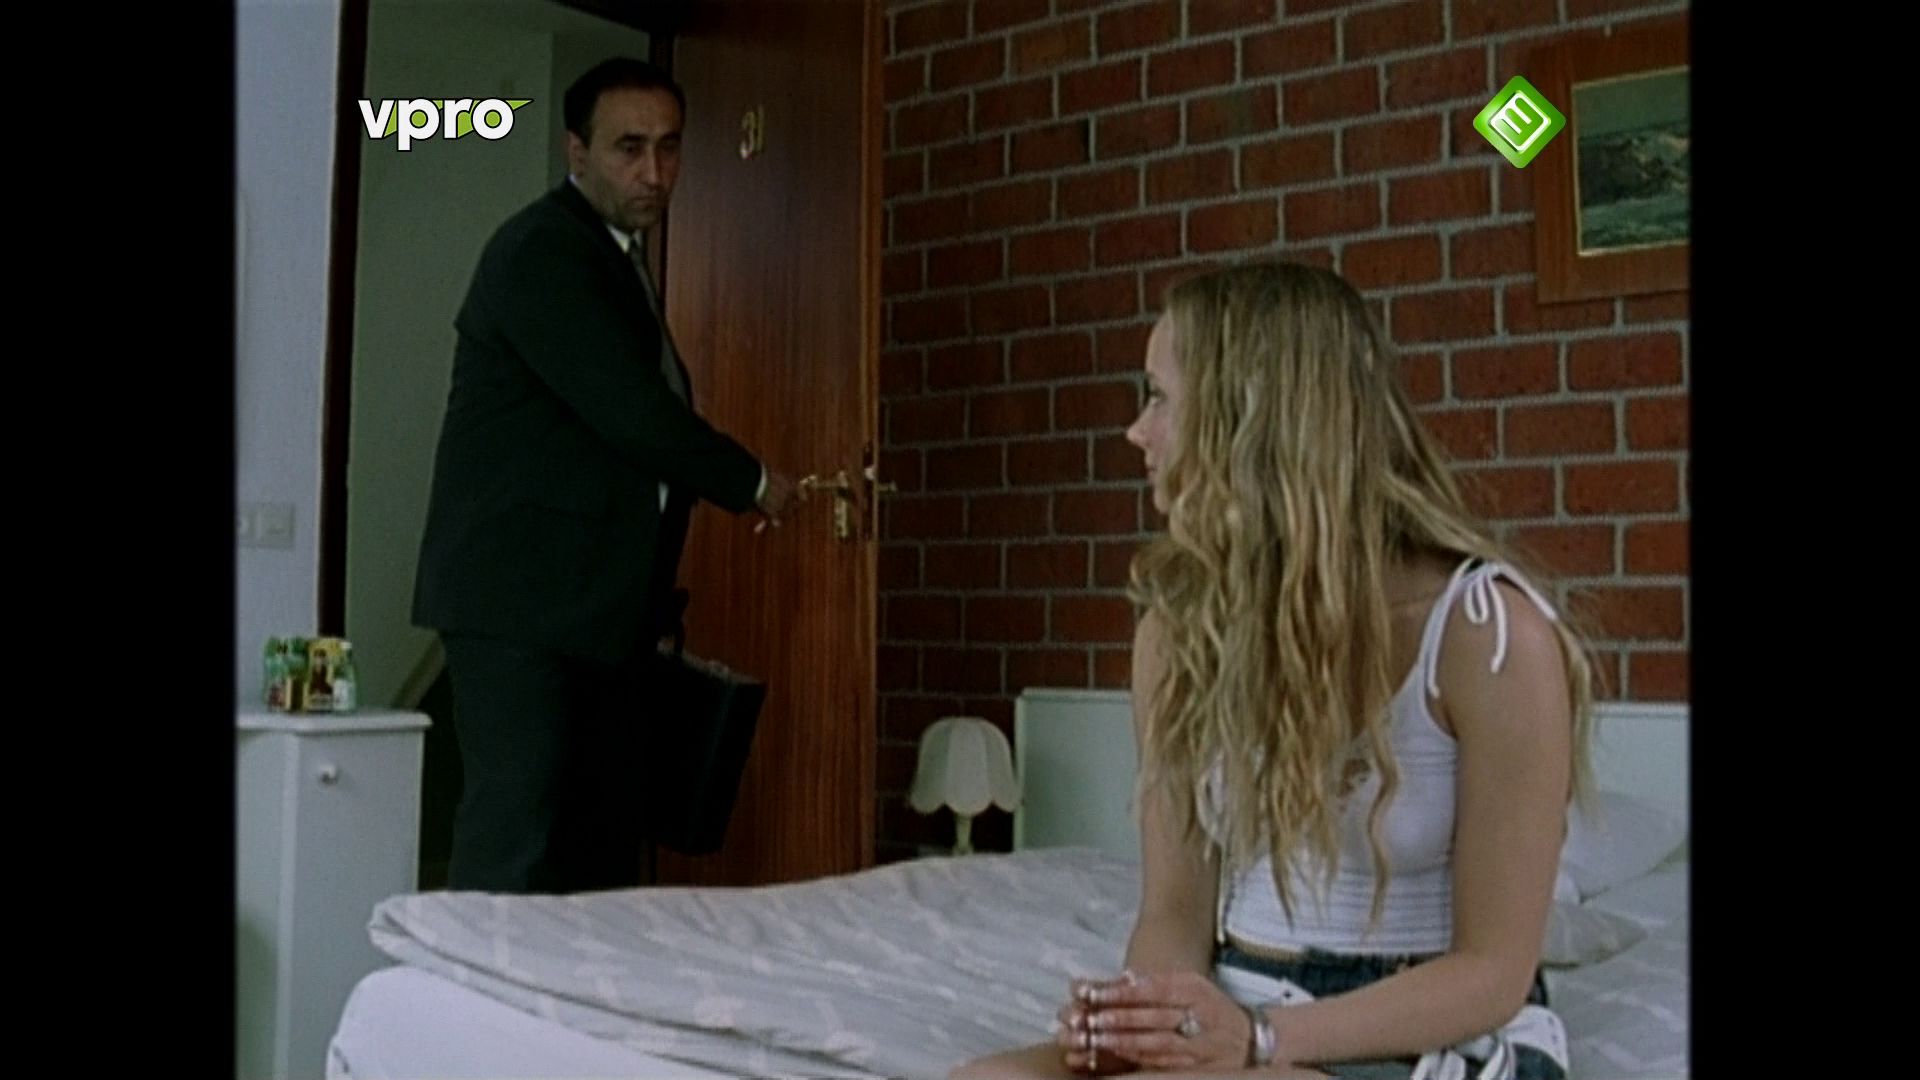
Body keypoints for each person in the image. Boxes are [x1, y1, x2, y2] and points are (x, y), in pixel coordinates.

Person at [953, 261, 1595, 1079]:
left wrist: (1261, 1040)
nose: (1136, 433)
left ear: (1250, 421)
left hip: (1421, 1034)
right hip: (1241, 1011)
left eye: (1159, 398)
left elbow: (1493, 973)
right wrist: (1144, 1020)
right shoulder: (1178, 634)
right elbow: (1174, 915)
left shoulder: (1488, 637)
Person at [412, 57, 801, 894]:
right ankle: (474, 986)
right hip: (521, 605)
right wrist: (752, 481)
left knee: (587, 850)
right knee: (515, 842)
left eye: (669, 147)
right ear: (577, 152)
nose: (654, 172)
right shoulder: (543, 250)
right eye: (630, 148)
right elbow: (631, 410)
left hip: (587, 608)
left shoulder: (612, 255)